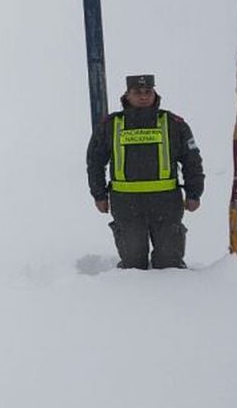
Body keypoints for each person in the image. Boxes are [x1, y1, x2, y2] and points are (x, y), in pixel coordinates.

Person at [86, 74, 205, 269]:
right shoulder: (110, 125)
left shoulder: (174, 124)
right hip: (126, 204)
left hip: (166, 203)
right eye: (137, 92)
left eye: (148, 92)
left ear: (154, 93)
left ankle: (177, 298)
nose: (143, 96)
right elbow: (95, 162)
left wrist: (194, 193)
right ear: (127, 95)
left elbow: (192, 161)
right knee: (133, 264)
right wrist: (99, 195)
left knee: (170, 264)